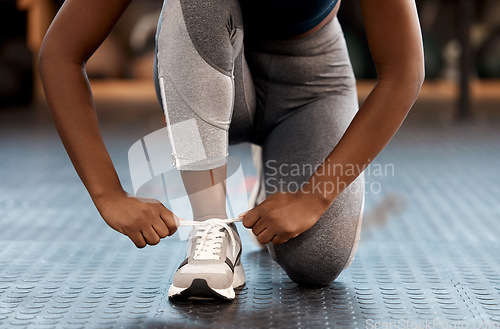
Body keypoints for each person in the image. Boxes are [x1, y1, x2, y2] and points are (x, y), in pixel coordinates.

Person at [39, 0, 424, 300]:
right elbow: (60, 52)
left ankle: (274, 170)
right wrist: (108, 194)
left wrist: (314, 196)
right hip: (201, 67)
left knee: (317, 259)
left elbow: (405, 69)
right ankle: (211, 227)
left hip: (311, 77)